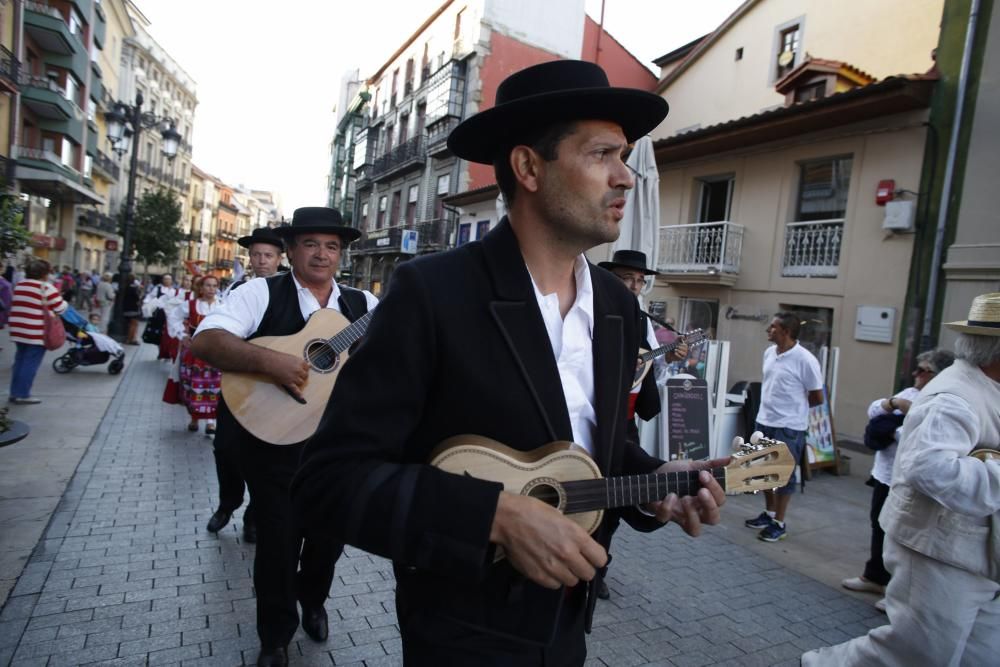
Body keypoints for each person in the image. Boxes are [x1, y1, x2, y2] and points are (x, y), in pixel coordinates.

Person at [291, 60, 727, 666]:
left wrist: (657, 488)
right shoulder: (432, 293)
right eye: (603, 154)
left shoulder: (619, 310)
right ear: (527, 167)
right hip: (460, 633)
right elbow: (328, 482)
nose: (624, 177)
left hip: (570, 624)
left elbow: (601, 448)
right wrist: (494, 517)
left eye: (626, 157)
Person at [191, 208, 377, 667]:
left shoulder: (364, 306)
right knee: (278, 541)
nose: (322, 254)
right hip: (273, 441)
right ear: (291, 250)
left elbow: (391, 362)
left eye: (332, 246)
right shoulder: (259, 292)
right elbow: (207, 341)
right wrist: (270, 362)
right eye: (311, 243)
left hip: (338, 446)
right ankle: (274, 636)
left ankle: (313, 600)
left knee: (329, 537)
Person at [803, 292, 1000, 666]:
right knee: (917, 653)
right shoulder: (953, 397)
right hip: (938, 551)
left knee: (982, 655)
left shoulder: (985, 390)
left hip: (975, 554)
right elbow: (928, 469)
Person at [596, 249, 683, 600]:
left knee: (615, 501)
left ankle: (597, 568)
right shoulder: (596, 308)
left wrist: (669, 358)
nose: (634, 286)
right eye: (626, 278)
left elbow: (649, 372)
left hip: (626, 420)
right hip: (596, 415)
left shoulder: (645, 322)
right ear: (611, 278)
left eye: (639, 281)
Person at [841, 348, 955, 610]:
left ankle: (898, 592)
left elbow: (919, 438)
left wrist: (892, 426)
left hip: (910, 481)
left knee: (902, 535)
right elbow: (873, 412)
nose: (916, 373)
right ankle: (875, 576)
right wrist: (894, 404)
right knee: (879, 525)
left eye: (923, 370)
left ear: (938, 375)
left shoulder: (943, 401)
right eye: (917, 368)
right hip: (885, 474)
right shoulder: (910, 395)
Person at [205, 226, 286, 546]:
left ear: (281, 258)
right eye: (256, 254)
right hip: (239, 382)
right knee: (224, 447)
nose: (261, 260)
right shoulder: (238, 288)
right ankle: (228, 503)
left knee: (264, 456)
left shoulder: (290, 291)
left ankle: (254, 514)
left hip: (275, 389)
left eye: (268, 255)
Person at [744, 311, 824, 542]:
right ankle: (769, 514)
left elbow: (817, 397)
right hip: (764, 421)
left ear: (786, 332)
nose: (768, 330)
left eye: (773, 327)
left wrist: (795, 410)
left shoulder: (805, 359)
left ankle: (780, 522)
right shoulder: (769, 352)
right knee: (763, 471)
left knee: (783, 476)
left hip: (788, 427)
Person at [165, 275, 223, 434]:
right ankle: (194, 418)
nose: (211, 289)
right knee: (193, 385)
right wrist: (182, 335)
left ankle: (212, 422)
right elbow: (173, 316)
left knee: (214, 386)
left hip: (215, 351)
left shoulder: (222, 305)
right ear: (201, 288)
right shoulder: (190, 305)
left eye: (214, 285)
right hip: (194, 351)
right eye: (208, 285)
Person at [7, 259, 68, 404]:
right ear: (44, 273)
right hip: (36, 331)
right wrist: (64, 301)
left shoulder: (20, 285)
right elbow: (61, 308)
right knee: (30, 363)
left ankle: (14, 392)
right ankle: (22, 394)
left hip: (18, 329)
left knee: (20, 360)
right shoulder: (46, 287)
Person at [142, 275, 180, 360]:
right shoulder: (158, 289)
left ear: (172, 281)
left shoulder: (175, 291)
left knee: (169, 334)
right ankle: (160, 351)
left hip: (170, 315)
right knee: (159, 334)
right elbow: (150, 297)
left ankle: (168, 352)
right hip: (159, 314)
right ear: (162, 280)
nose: (167, 281)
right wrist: (146, 303)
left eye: (169, 279)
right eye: (165, 279)